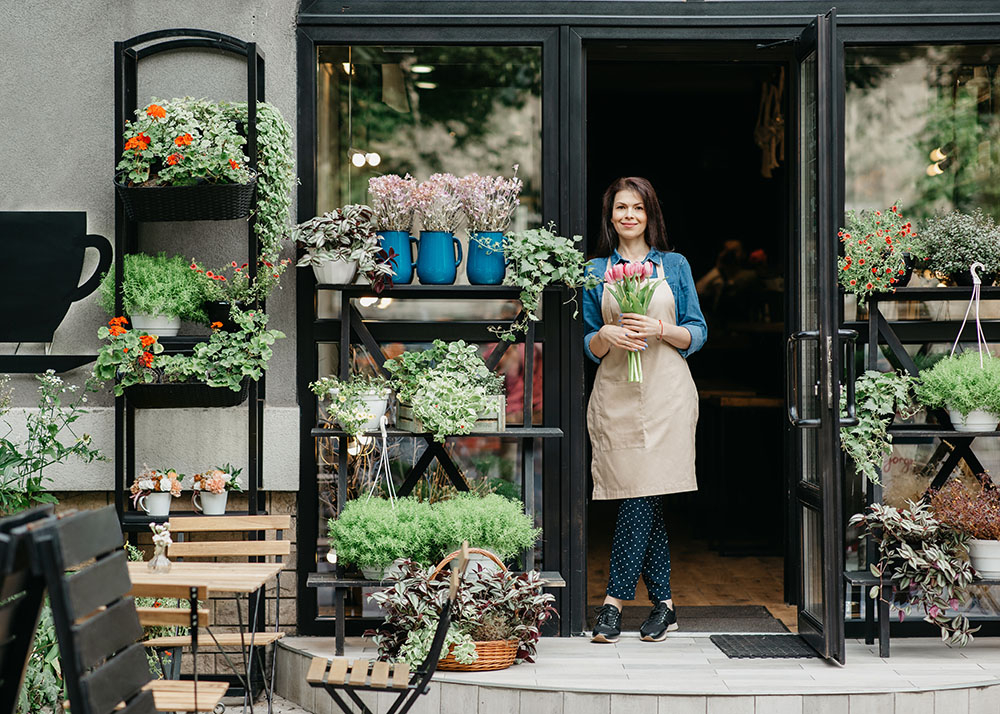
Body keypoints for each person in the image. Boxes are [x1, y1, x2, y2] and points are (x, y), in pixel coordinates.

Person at [583, 176, 708, 643]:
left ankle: (613, 604)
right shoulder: (597, 270)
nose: (629, 215)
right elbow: (588, 341)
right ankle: (665, 606)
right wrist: (607, 336)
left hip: (666, 394)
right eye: (621, 207)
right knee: (642, 493)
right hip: (616, 391)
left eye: (637, 207)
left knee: (641, 494)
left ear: (649, 214)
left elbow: (697, 331)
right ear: (610, 215)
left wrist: (659, 327)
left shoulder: (673, 265)